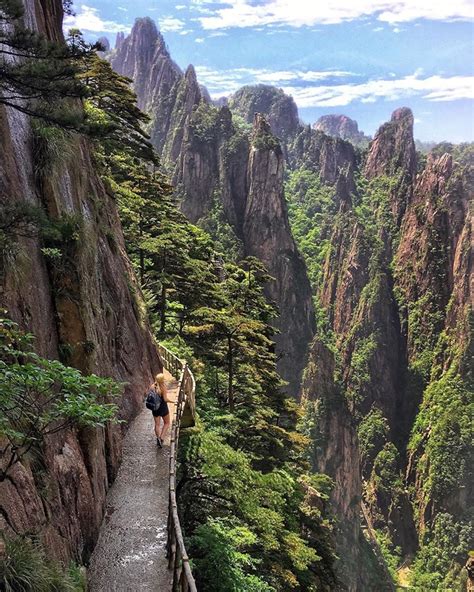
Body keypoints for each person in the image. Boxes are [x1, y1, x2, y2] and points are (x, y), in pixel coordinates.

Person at [151, 373, 170, 448]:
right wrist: (172, 401)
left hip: (155, 408)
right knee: (167, 423)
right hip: (163, 407)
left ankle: (158, 438)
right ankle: (162, 438)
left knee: (157, 424)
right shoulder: (163, 387)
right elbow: (165, 399)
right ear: (162, 380)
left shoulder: (152, 386)